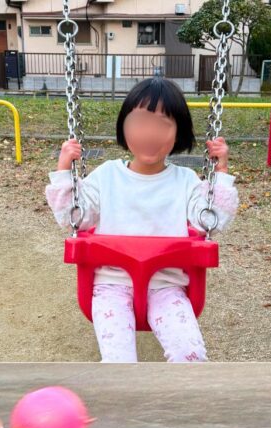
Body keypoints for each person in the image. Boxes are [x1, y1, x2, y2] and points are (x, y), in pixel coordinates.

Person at [46, 77, 240, 363]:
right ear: (123, 127)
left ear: (179, 133)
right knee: (119, 364)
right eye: (139, 123)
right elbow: (74, 217)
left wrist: (220, 171)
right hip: (111, 283)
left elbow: (211, 221)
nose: (149, 133)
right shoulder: (107, 175)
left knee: (192, 356)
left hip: (165, 284)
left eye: (162, 124)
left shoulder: (185, 181)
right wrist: (64, 170)